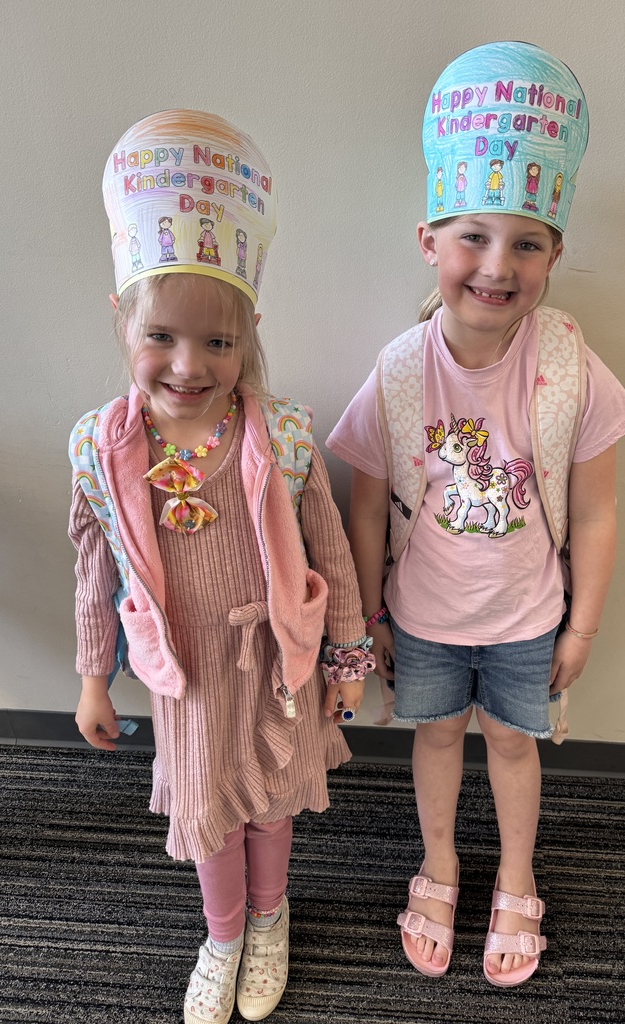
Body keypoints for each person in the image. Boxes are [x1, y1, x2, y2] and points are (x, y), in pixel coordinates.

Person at [327, 42, 625, 988]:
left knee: (512, 743)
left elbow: (595, 509)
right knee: (433, 739)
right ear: (431, 240)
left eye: (527, 242)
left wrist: (582, 625)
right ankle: (440, 864)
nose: (497, 267)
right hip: (423, 615)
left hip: (524, 617)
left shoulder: (569, 367)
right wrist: (370, 617)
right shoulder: (396, 370)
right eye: (473, 236)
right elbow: (367, 501)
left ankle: (513, 870)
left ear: (554, 252)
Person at [70, 110, 373, 1024]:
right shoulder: (99, 447)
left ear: (248, 336)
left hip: (274, 658)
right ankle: (226, 932)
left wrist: (346, 662)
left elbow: (329, 546)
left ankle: (273, 919)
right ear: (122, 318)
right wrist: (93, 678)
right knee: (208, 810)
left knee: (274, 800)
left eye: (219, 342)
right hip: (189, 674)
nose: (189, 365)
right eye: (162, 335)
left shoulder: (277, 433)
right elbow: (96, 567)